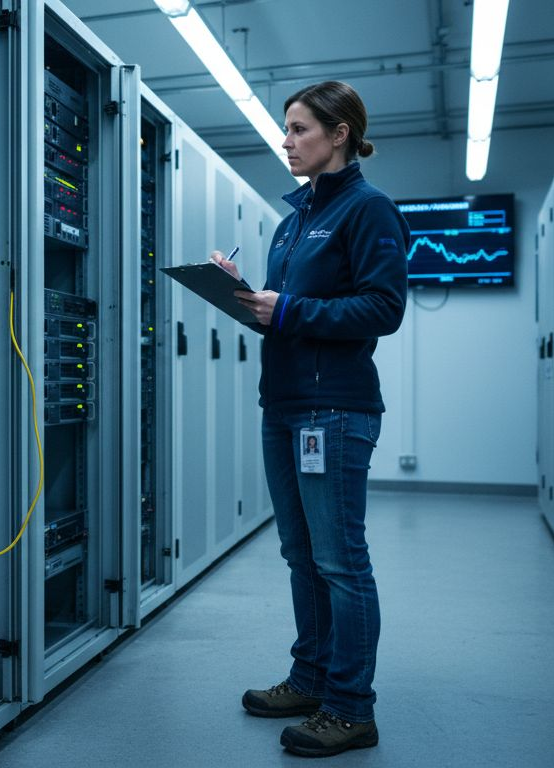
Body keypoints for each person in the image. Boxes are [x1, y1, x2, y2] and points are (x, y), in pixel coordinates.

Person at [211, 80, 408, 758]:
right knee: (301, 556)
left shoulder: (367, 210)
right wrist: (243, 299)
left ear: (339, 133)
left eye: (298, 128)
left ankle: (352, 709)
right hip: (286, 404)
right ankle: (311, 677)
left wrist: (286, 310)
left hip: (335, 408)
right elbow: (286, 312)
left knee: (340, 560)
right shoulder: (293, 221)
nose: (287, 140)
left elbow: (383, 309)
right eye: (286, 128)